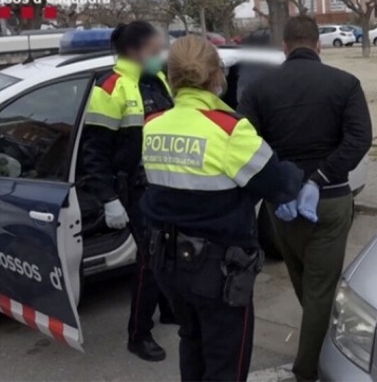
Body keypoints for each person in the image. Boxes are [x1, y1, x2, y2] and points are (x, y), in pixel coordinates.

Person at [141, 34, 303, 381]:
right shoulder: (228, 130)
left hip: (166, 262)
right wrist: (297, 171)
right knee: (226, 359)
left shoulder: (152, 125)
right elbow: (280, 184)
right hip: (217, 272)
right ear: (217, 76)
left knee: (191, 339)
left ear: (171, 78)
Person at [237, 15, 373, 381]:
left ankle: (310, 357)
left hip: (281, 207)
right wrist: (322, 177)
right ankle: (308, 370)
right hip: (329, 201)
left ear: (285, 46)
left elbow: (245, 145)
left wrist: (277, 186)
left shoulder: (260, 90)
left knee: (306, 283)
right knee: (319, 289)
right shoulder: (345, 84)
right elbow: (359, 139)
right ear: (318, 44)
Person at [79, 21, 175, 362]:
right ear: (136, 50)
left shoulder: (156, 79)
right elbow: (95, 152)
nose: (160, 54)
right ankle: (139, 334)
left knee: (169, 249)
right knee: (148, 261)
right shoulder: (111, 88)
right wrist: (109, 199)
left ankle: (168, 309)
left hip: (164, 182)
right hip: (134, 188)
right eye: (155, 48)